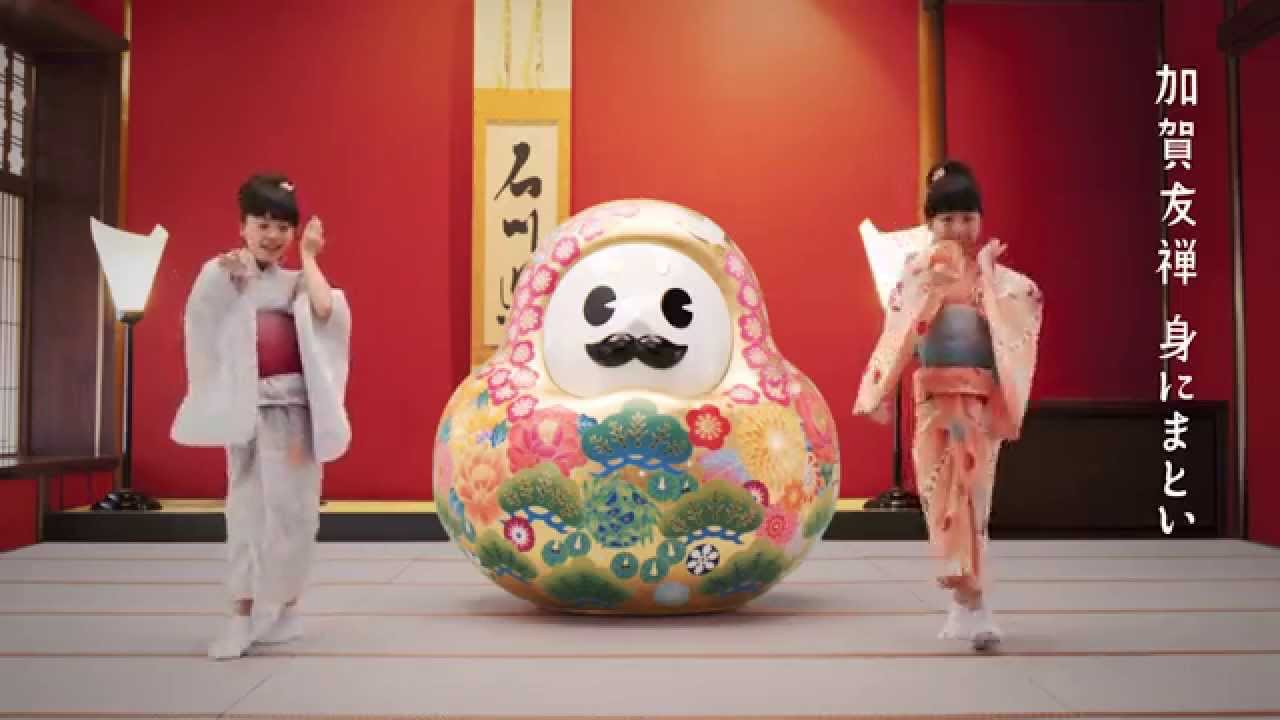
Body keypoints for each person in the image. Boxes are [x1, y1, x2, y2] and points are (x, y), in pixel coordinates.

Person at [854, 160, 1043, 651]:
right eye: (947, 219)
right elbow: (898, 333)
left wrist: (993, 284)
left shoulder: (995, 278)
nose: (958, 228)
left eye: (967, 218)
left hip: (977, 404)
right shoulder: (917, 274)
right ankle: (964, 604)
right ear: (930, 223)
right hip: (935, 405)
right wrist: (878, 392)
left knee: (975, 501)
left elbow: (1028, 299)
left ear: (980, 221)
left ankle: (974, 605)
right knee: (941, 501)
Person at [171, 173, 352, 660]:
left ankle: (288, 610)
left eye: (282, 227)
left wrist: (310, 256)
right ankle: (240, 615)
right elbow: (202, 322)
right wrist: (229, 284)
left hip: (295, 417)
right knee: (247, 513)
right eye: (262, 223)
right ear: (243, 225)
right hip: (251, 414)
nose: (272, 235)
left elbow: (325, 309)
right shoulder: (224, 272)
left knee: (297, 513)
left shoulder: (296, 282)